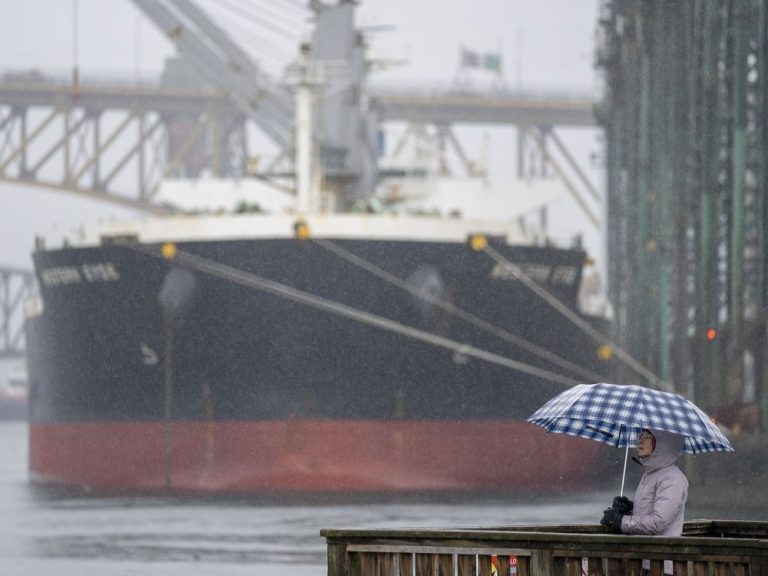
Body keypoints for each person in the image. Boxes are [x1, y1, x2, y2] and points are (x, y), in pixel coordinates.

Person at [600, 428, 688, 576]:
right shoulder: (651, 474)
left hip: (663, 566)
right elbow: (650, 510)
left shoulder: (673, 479)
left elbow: (658, 522)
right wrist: (628, 508)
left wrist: (620, 521)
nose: (640, 439)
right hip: (647, 562)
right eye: (641, 435)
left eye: (648, 436)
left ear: (663, 443)